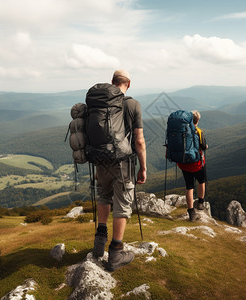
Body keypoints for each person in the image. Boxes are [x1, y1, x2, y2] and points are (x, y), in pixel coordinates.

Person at [92, 69, 147, 271]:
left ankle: (99, 243)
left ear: (112, 83)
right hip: (123, 162)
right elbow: (139, 141)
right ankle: (116, 253)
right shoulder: (133, 104)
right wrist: (143, 168)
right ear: (128, 84)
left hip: (101, 160)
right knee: (122, 204)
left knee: (104, 196)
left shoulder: (100, 103)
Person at [177, 110, 208, 222]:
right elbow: (204, 147)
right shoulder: (198, 131)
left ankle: (191, 212)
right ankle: (200, 202)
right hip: (197, 163)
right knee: (201, 181)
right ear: (197, 121)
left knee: (189, 187)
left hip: (184, 164)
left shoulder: (182, 131)